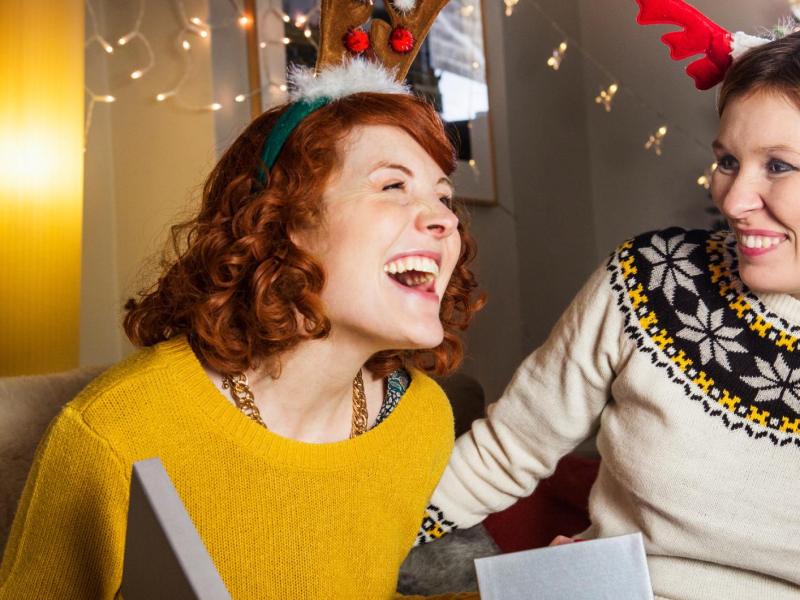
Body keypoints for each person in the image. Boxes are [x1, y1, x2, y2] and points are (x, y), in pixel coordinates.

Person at [0, 48, 486, 600]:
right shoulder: (117, 430)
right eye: (393, 186)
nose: (445, 219)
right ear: (282, 220)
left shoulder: (420, 421)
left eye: (444, 196)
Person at [426, 27, 800, 600]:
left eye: (778, 166)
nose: (732, 199)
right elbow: (508, 450)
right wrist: (350, 545)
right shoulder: (651, 277)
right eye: (728, 160)